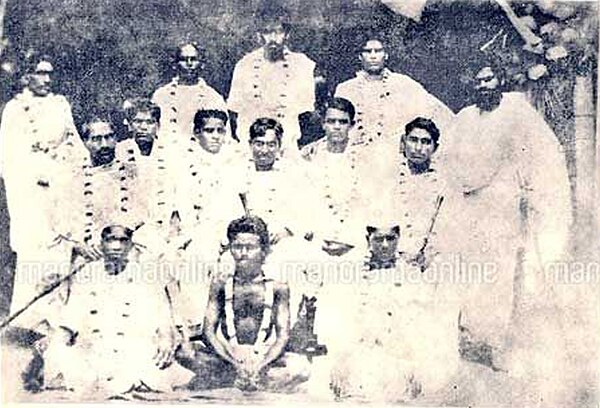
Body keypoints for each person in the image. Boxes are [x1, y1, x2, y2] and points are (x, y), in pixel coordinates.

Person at [441, 60, 572, 404]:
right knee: (466, 270)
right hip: (468, 206)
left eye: (490, 79)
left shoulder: (517, 112)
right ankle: (466, 341)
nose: (484, 85)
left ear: (499, 80)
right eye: (479, 80)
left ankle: (497, 344)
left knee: (499, 274)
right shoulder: (465, 117)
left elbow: (541, 153)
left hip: (502, 205)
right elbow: (449, 158)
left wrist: (531, 190)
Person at [38, 225, 192, 397]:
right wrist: (57, 345)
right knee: (63, 368)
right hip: (94, 350)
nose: (117, 246)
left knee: (155, 378)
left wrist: (165, 338)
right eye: (111, 240)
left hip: (133, 351)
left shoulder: (146, 276)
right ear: (102, 244)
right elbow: (70, 321)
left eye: (123, 241)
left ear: (131, 245)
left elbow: (162, 318)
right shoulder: (86, 275)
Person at [313, 222, 458, 403]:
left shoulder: (410, 275)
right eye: (378, 239)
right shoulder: (350, 274)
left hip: (398, 361)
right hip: (358, 360)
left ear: (398, 240)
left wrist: (417, 367)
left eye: (390, 238)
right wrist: (339, 364)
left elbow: (420, 326)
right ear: (368, 240)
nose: (384, 245)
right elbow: (339, 325)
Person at [175, 216, 310, 392]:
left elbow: (283, 335)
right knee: (183, 353)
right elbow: (208, 332)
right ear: (230, 248)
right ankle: (245, 381)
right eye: (237, 247)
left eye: (251, 247)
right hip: (228, 356)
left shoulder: (278, 287)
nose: (243, 253)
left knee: (301, 368)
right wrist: (233, 362)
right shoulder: (221, 283)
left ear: (264, 251)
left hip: (263, 355)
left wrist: (261, 364)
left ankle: (226, 381)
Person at [0, 54, 86, 328]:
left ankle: (59, 318)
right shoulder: (15, 109)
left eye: (50, 73)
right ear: (27, 76)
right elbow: (7, 157)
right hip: (30, 194)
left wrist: (69, 165)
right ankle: (30, 320)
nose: (47, 79)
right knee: (35, 249)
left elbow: (75, 143)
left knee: (62, 248)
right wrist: (35, 173)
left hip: (62, 188)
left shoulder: (60, 105)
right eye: (40, 73)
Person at [334, 34, 453, 150]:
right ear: (360, 56)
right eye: (368, 51)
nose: (373, 56)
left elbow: (436, 112)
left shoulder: (404, 84)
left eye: (378, 51)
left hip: (393, 156)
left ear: (386, 55)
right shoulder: (346, 89)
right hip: (355, 155)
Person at [227, 5, 316, 158]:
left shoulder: (302, 65)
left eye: (278, 31)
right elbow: (235, 111)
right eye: (267, 32)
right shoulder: (244, 65)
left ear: (287, 34)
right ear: (259, 35)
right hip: (252, 147)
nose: (273, 38)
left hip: (288, 146)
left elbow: (306, 114)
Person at [301, 97, 367, 255]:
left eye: (343, 122)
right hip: (317, 239)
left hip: (354, 241)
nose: (337, 127)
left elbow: (367, 204)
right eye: (331, 121)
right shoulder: (308, 157)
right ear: (323, 124)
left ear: (352, 125)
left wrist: (350, 239)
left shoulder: (365, 158)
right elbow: (302, 202)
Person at [152, 43, 228, 164]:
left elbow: (222, 136)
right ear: (175, 65)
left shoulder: (214, 97)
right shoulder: (161, 96)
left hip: (202, 160)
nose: (189, 64)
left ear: (201, 64)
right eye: (183, 59)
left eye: (193, 59)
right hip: (168, 157)